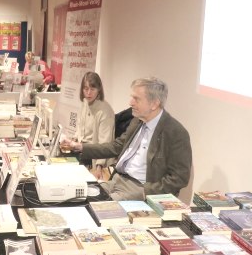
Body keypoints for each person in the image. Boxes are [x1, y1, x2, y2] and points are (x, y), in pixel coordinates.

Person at [62, 77, 192, 201]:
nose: (131, 103)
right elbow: (116, 146)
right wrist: (80, 147)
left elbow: (179, 178)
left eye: (136, 99)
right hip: (116, 179)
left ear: (154, 104)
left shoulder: (175, 133)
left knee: (98, 206)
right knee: (78, 196)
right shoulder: (137, 121)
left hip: (139, 188)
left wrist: (145, 191)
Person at [73, 72, 115, 178]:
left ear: (99, 89)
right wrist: (74, 138)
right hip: (82, 150)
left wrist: (99, 166)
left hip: (95, 157)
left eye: (92, 89)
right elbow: (79, 127)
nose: (88, 93)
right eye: (85, 89)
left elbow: (105, 144)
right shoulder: (84, 103)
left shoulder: (105, 111)